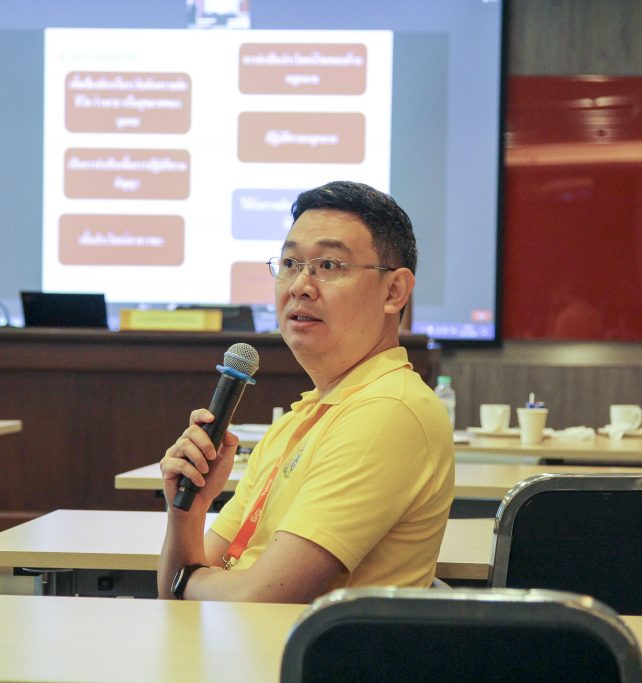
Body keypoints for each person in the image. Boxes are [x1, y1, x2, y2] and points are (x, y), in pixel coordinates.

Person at [157, 180, 455, 603]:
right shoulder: (300, 420)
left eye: (328, 265)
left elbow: (260, 599)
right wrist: (188, 512)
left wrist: (188, 581)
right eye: (290, 263)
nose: (300, 285)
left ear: (394, 292)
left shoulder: (389, 410)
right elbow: (178, 597)